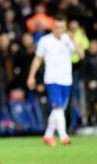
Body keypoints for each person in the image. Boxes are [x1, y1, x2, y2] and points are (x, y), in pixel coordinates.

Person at [27, 16, 84, 146]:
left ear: (65, 28)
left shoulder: (67, 39)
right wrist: (31, 76)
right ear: (53, 27)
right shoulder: (45, 41)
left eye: (62, 28)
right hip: (52, 80)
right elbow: (37, 59)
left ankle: (48, 135)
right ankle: (64, 137)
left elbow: (81, 54)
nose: (59, 30)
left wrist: (73, 40)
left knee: (58, 111)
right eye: (57, 27)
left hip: (67, 80)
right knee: (58, 109)